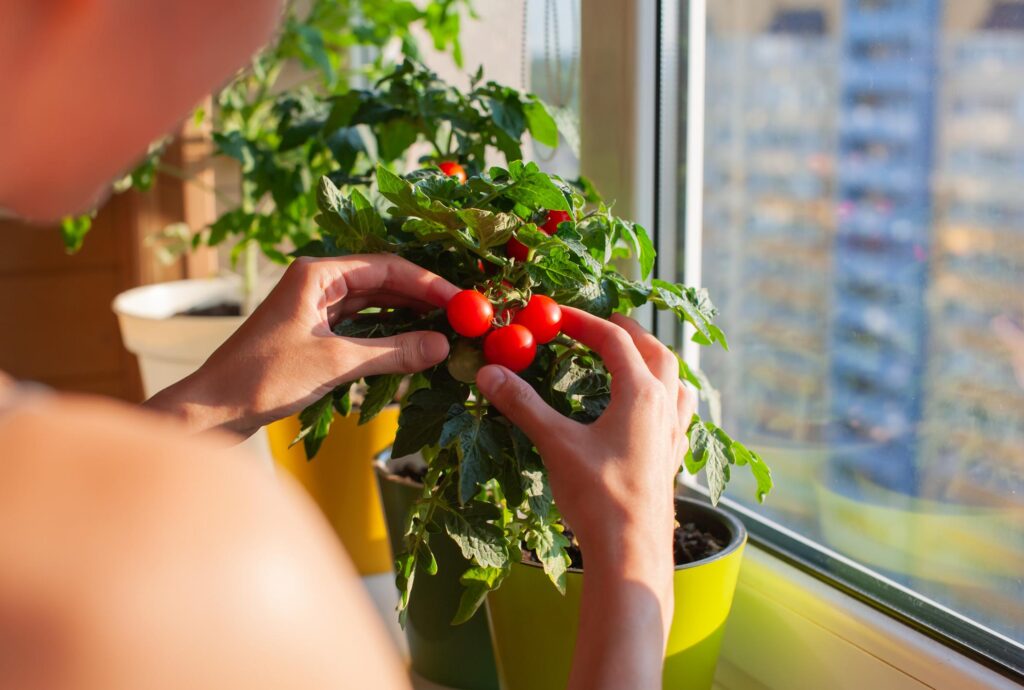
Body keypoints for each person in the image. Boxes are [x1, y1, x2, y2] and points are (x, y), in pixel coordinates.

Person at [0, 2, 696, 689]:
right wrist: (633, 550)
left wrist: (212, 402)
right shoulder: (221, 571)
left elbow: (73, 511)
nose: (243, 63)